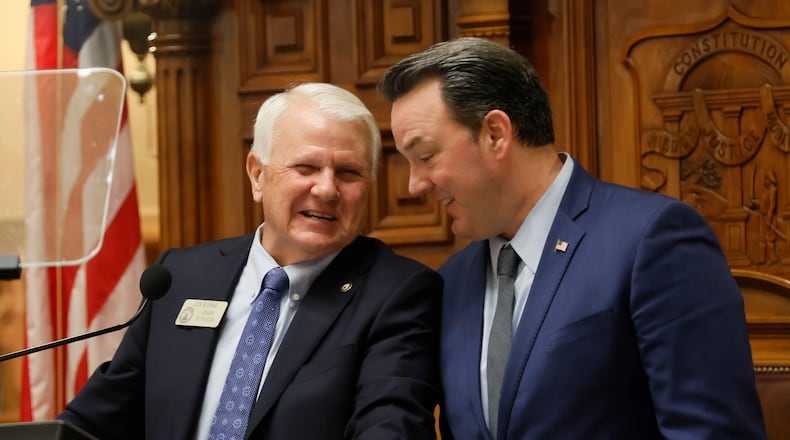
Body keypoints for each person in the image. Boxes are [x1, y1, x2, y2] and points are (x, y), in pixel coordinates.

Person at [378, 37, 766, 439]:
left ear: (495, 133)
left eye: (425, 157)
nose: (413, 186)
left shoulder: (652, 240)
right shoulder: (452, 281)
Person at [58, 82, 443, 439]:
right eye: (306, 167)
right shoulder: (180, 278)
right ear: (257, 175)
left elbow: (391, 427)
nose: (326, 189)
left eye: (348, 172)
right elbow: (91, 424)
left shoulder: (398, 294)